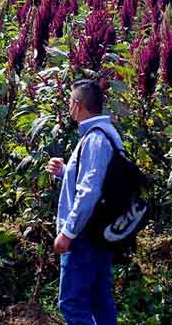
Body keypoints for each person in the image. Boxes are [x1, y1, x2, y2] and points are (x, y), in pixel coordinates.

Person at [46, 79, 119, 325]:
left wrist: (67, 232)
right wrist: (65, 171)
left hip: (84, 236)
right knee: (100, 301)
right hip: (98, 233)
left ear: (77, 105)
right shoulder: (103, 135)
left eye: (69, 101)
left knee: (71, 303)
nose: (68, 106)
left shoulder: (95, 139)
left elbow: (89, 192)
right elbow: (95, 180)